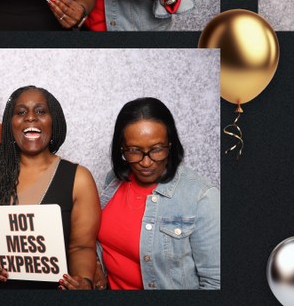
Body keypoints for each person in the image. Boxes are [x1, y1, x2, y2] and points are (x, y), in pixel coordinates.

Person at [0, 86, 100, 290]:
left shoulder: (79, 178)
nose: (30, 118)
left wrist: (84, 281)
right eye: (21, 112)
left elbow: (81, 246)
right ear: (10, 122)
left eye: (41, 111)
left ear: (54, 120)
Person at [94, 97, 219, 290]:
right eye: (134, 151)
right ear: (122, 149)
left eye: (157, 149)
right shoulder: (114, 180)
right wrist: (95, 266)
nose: (145, 162)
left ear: (170, 144)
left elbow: (215, 283)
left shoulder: (202, 197)